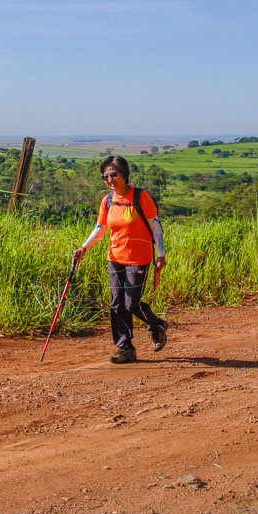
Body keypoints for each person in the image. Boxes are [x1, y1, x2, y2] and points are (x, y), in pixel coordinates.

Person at [72, 155, 168, 364]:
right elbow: (100, 228)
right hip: (115, 258)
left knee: (131, 303)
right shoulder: (108, 201)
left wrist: (160, 255)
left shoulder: (141, 197)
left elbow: (155, 226)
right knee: (116, 304)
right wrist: (84, 247)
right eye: (105, 176)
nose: (109, 180)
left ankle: (156, 325)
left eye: (113, 175)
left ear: (124, 175)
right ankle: (125, 347)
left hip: (139, 258)